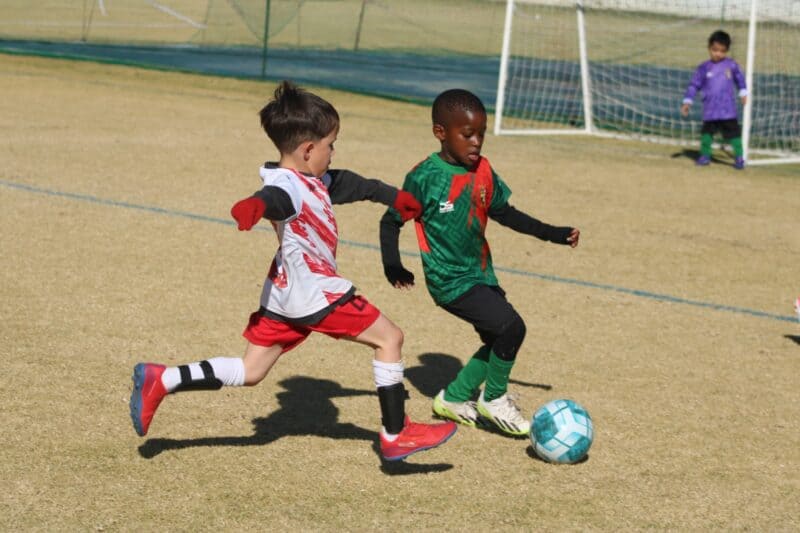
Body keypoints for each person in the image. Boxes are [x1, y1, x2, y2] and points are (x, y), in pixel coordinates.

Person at [129, 81, 457, 461]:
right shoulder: (289, 187)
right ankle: (396, 433)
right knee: (390, 340)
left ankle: (162, 379)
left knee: (251, 370)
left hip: (284, 293)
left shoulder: (310, 178)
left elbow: (351, 183)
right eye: (331, 145)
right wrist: (254, 206)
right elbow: (275, 200)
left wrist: (392, 196)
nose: (333, 152)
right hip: (316, 292)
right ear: (307, 150)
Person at [379, 89, 580, 437]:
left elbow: (506, 213)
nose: (476, 143)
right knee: (512, 327)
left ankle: (454, 399)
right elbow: (390, 221)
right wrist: (393, 265)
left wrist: (554, 233)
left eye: (481, 134)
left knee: (498, 338)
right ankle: (494, 399)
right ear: (441, 133)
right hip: (449, 281)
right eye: (467, 134)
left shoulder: (484, 170)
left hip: (480, 274)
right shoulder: (425, 177)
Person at [681, 30, 748, 169]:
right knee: (706, 135)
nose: (718, 54)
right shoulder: (704, 67)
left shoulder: (731, 65)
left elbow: (740, 79)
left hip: (728, 110)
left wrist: (743, 92)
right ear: (709, 48)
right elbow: (694, 85)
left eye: (722, 51)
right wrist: (687, 101)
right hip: (710, 110)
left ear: (727, 51)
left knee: (734, 135)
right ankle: (705, 156)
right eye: (715, 50)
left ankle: (739, 157)